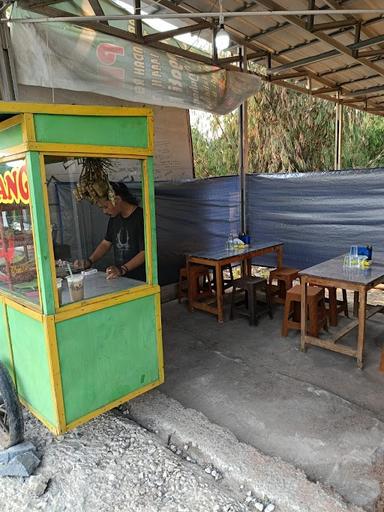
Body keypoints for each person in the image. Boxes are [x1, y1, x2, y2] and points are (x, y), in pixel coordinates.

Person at [75, 182, 146, 281]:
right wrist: (89, 261)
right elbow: (106, 243)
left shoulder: (142, 217)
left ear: (117, 199)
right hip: (121, 277)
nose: (104, 211)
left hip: (140, 279)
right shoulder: (115, 217)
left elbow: (145, 252)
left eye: (105, 207)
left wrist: (122, 269)